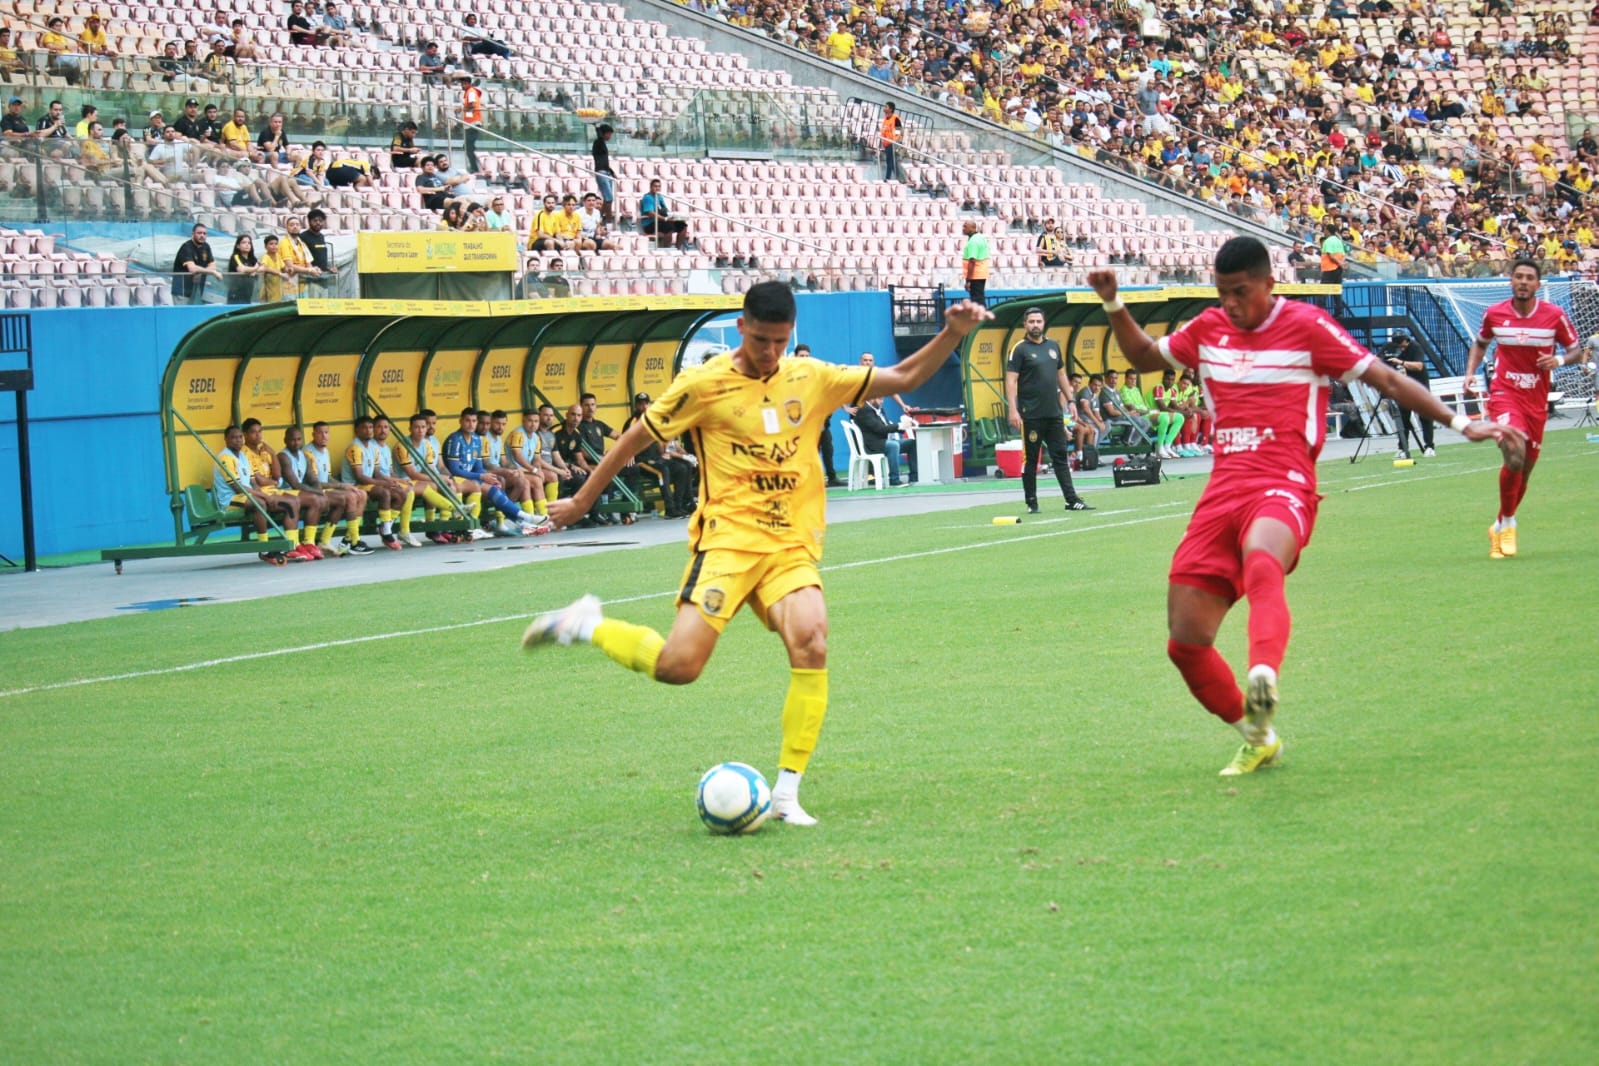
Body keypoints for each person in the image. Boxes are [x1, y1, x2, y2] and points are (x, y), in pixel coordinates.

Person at [523, 283, 992, 826]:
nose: (770, 352)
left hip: (789, 546)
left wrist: (952, 333)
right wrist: (582, 500)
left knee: (812, 640)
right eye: (762, 339)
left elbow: (905, 377)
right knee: (678, 668)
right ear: (742, 327)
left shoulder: (811, 377)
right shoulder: (702, 384)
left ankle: (788, 794)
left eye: (780, 341)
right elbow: (634, 439)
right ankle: (588, 625)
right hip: (726, 544)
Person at [1086, 236, 1522, 777]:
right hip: (1222, 490)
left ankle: (1263, 673)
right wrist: (1113, 305)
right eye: (1223, 294)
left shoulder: (1308, 328)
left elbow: (1386, 379)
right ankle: (1257, 734)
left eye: (1241, 292)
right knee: (1185, 642)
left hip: (1283, 481)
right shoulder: (1208, 328)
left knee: (1262, 558)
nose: (1231, 305)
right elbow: (1147, 357)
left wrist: (1462, 423)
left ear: (1269, 283)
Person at [1463, 259, 1579, 559]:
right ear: (1510, 281)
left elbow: (1577, 350)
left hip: (1536, 401)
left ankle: (1499, 524)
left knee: (1524, 470)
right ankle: (1511, 524)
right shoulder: (1495, 313)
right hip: (1505, 393)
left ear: (1538, 284)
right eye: (1518, 277)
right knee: (1513, 452)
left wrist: (1559, 361)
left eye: (1529, 277)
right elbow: (1480, 343)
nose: (1523, 282)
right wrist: (1470, 373)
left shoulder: (1554, 315)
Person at [1005, 307, 1093, 513]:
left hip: (1054, 412)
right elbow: (1011, 381)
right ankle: (1032, 502)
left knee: (1060, 456)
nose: (1035, 325)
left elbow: (1061, 375)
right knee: (1032, 460)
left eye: (1038, 321)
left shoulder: (1053, 346)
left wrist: (1071, 401)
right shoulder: (1019, 349)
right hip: (1031, 414)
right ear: (1025, 325)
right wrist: (1013, 410)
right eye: (1031, 322)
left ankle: (1071, 500)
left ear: (1044, 324)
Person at [212, 424, 296, 564]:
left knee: (287, 503)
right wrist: (263, 496)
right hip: (230, 499)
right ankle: (264, 547)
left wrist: (263, 494)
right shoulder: (225, 457)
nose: (238, 440)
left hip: (246, 495)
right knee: (260, 502)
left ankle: (293, 545)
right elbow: (238, 487)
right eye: (233, 438)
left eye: (239, 437)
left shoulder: (243, 456)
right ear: (226, 439)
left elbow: (253, 483)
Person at [306, 419, 371, 553]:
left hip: (325, 489)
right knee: (349, 497)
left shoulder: (325, 451)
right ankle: (354, 541)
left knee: (361, 494)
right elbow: (314, 482)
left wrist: (344, 485)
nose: (324, 436)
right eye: (320, 433)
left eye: (326, 432)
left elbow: (327, 476)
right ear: (313, 435)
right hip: (312, 490)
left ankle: (336, 539)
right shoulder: (308, 452)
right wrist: (341, 486)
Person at [794, 344, 842, 486]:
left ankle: (832, 477)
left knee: (828, 449)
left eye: (807, 356)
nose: (805, 359)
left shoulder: (816, 375)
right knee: (810, 454)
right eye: (802, 356)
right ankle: (812, 480)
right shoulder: (790, 376)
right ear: (795, 357)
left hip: (822, 423)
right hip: (803, 425)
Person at [1382, 333, 1436, 459]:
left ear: (1405, 342)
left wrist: (1399, 361)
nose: (1400, 348)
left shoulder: (1415, 348)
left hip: (1420, 389)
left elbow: (1419, 366)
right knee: (1403, 418)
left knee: (1425, 418)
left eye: (1400, 345)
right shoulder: (1401, 350)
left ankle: (1429, 446)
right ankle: (1402, 448)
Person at [172, 223, 223, 304]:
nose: (202, 235)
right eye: (199, 233)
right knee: (183, 315)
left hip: (197, 290)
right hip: (182, 291)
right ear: (192, 234)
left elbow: (212, 266)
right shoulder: (186, 247)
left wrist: (200, 271)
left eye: (204, 233)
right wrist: (212, 272)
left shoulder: (206, 247)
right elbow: (192, 269)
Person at [640, 178, 689, 250]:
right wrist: (665, 219)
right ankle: (666, 250)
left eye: (659, 186)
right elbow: (650, 213)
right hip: (650, 223)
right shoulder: (648, 198)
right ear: (651, 187)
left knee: (682, 225)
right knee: (668, 227)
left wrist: (673, 217)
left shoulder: (659, 197)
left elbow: (665, 210)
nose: (657, 188)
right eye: (655, 186)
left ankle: (678, 249)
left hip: (661, 220)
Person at [225, 234, 262, 304]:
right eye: (244, 242)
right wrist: (254, 269)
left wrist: (254, 270)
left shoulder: (252, 259)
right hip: (235, 295)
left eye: (249, 243)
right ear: (238, 246)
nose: (247, 244)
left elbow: (262, 268)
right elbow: (241, 269)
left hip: (248, 294)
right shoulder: (235, 257)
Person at [591, 123, 616, 224]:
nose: (609, 136)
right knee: (609, 198)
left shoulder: (603, 144)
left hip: (606, 171)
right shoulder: (598, 142)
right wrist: (597, 127)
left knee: (608, 199)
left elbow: (604, 161)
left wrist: (611, 171)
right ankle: (608, 222)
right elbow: (600, 138)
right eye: (608, 134)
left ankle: (598, 219)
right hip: (601, 172)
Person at [459, 74, 484, 173]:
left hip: (473, 123)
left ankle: (475, 168)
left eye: (464, 84)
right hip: (470, 123)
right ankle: (474, 167)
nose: (462, 86)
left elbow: (473, 106)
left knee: (469, 147)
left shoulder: (471, 92)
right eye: (462, 84)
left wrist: (461, 109)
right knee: (468, 147)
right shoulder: (469, 93)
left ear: (469, 84)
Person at [961, 220, 990, 305]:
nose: (963, 228)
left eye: (965, 226)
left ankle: (982, 317)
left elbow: (972, 261)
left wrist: (968, 280)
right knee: (980, 297)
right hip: (981, 273)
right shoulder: (980, 237)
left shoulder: (973, 242)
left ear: (972, 228)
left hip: (975, 275)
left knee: (977, 300)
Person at [879, 101, 903, 182]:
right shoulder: (885, 119)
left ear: (891, 109)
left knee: (890, 161)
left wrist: (894, 141)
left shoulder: (895, 118)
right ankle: (900, 179)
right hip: (886, 143)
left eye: (886, 107)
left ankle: (888, 178)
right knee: (891, 161)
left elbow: (898, 130)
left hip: (892, 142)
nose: (884, 108)